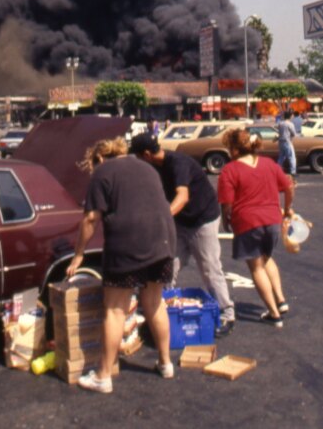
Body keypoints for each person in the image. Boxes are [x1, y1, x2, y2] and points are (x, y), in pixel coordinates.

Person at [67, 137, 175, 394]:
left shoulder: (102, 173)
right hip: (162, 241)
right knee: (155, 302)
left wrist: (79, 254)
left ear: (99, 158)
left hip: (127, 246)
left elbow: (91, 219)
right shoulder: (146, 167)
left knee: (115, 309)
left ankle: (103, 376)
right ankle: (165, 363)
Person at [129, 133, 235, 336]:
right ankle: (162, 311)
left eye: (138, 157)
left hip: (202, 219)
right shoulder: (153, 167)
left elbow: (182, 197)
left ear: (146, 154)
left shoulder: (178, 162)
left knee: (209, 267)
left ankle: (226, 313)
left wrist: (161, 219)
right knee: (168, 264)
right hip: (180, 221)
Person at [218, 129, 295, 328]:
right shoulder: (269, 164)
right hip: (273, 220)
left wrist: (226, 219)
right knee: (267, 257)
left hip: (247, 221)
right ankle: (281, 299)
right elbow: (288, 186)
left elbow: (226, 202)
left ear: (234, 149)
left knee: (256, 267)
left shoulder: (230, 170)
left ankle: (273, 313)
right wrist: (287, 208)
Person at [275, 111, 297, 178]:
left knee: (281, 157)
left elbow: (278, 130)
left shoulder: (280, 123)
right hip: (287, 142)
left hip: (281, 142)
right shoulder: (290, 124)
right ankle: (293, 172)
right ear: (290, 116)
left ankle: (277, 171)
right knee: (291, 157)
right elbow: (294, 134)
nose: (293, 117)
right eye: (292, 116)